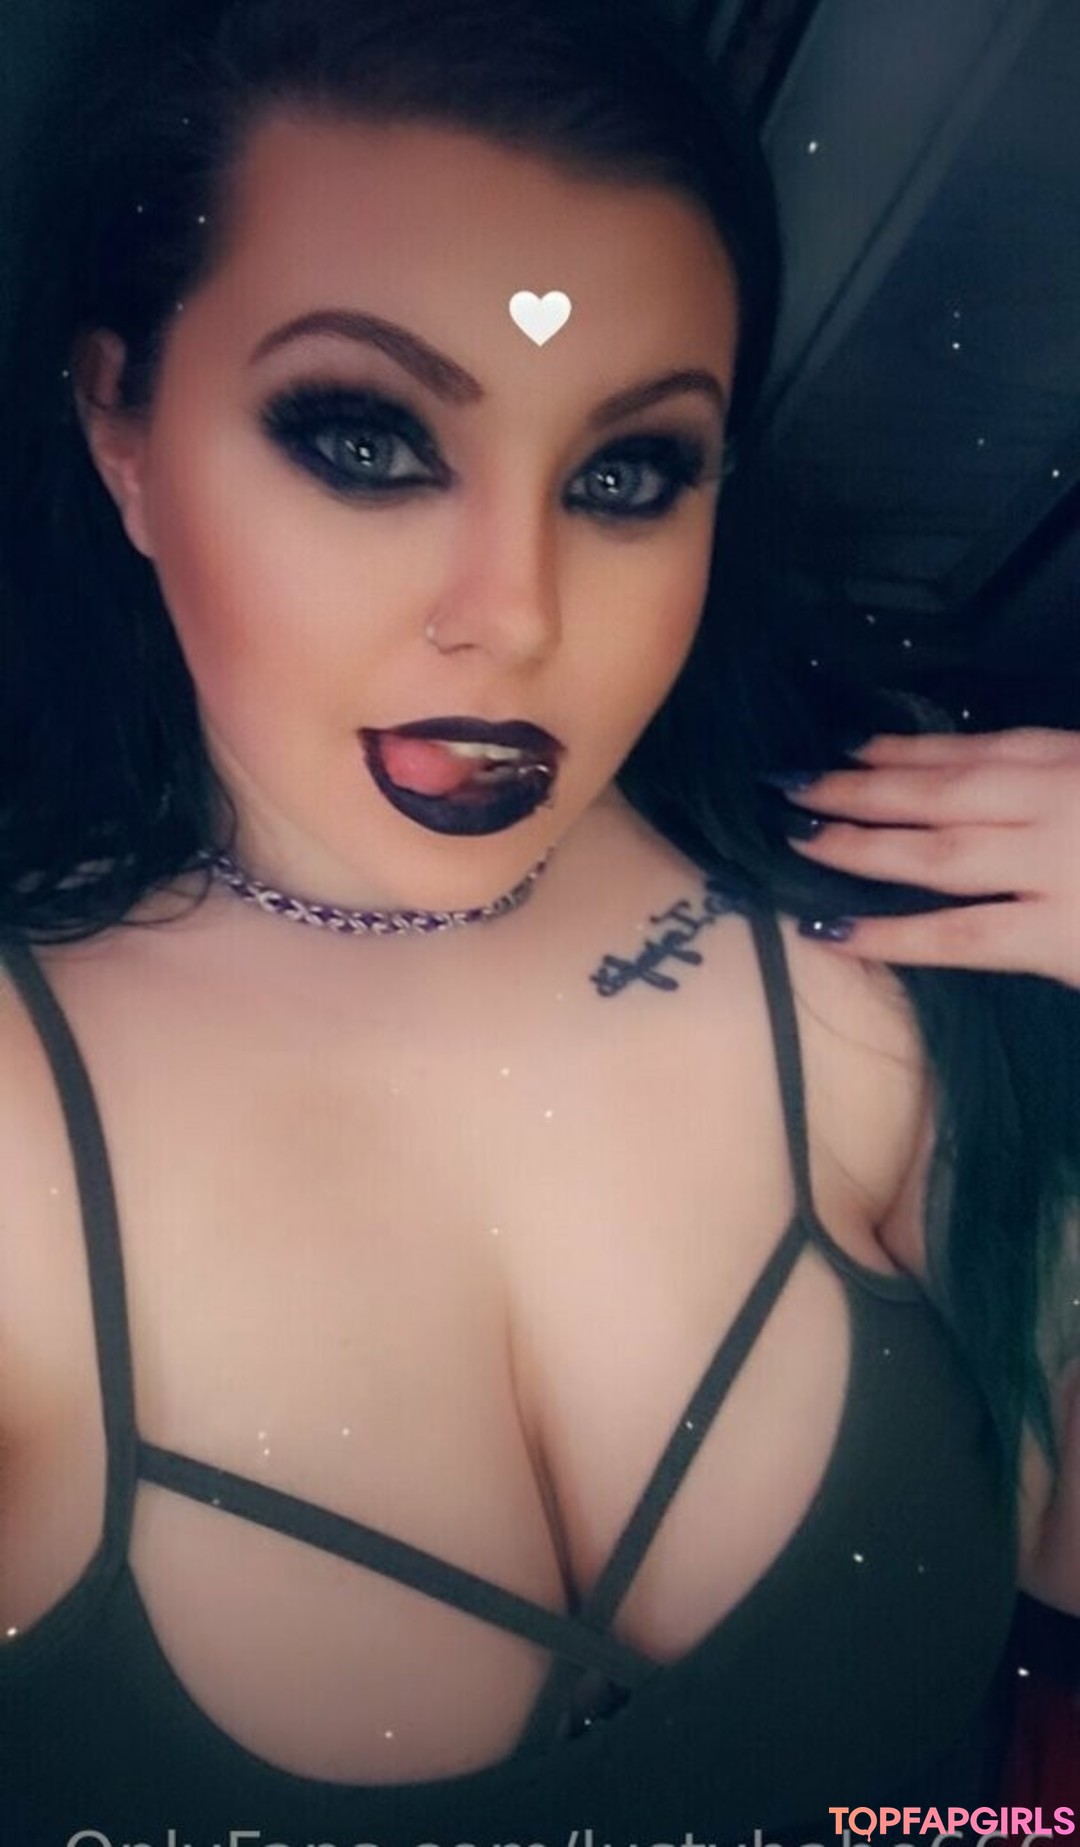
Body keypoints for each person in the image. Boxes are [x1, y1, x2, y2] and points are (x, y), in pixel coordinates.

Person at [0, 0, 1077, 1839]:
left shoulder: (884, 910)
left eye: (625, 473)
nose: (517, 613)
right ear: (122, 425)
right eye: (365, 442)